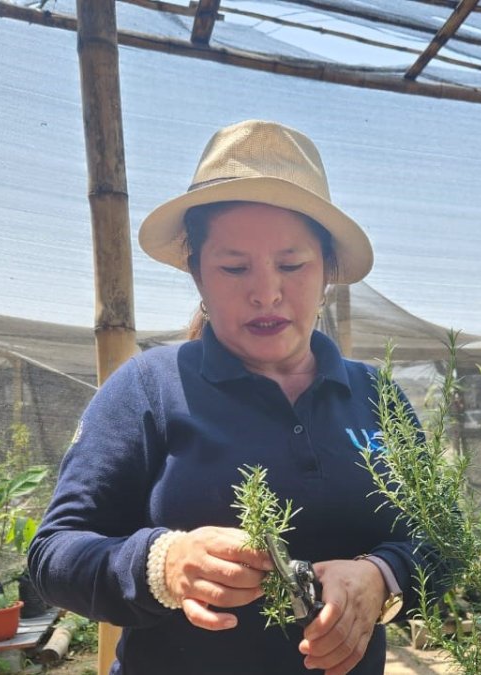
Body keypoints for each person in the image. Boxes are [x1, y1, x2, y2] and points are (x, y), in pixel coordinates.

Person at [28, 120, 437, 674]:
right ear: (196, 272)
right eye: (233, 266)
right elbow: (54, 555)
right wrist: (160, 563)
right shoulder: (148, 387)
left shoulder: (377, 396)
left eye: (292, 265)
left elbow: (436, 538)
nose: (266, 291)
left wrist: (383, 577)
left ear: (328, 273)